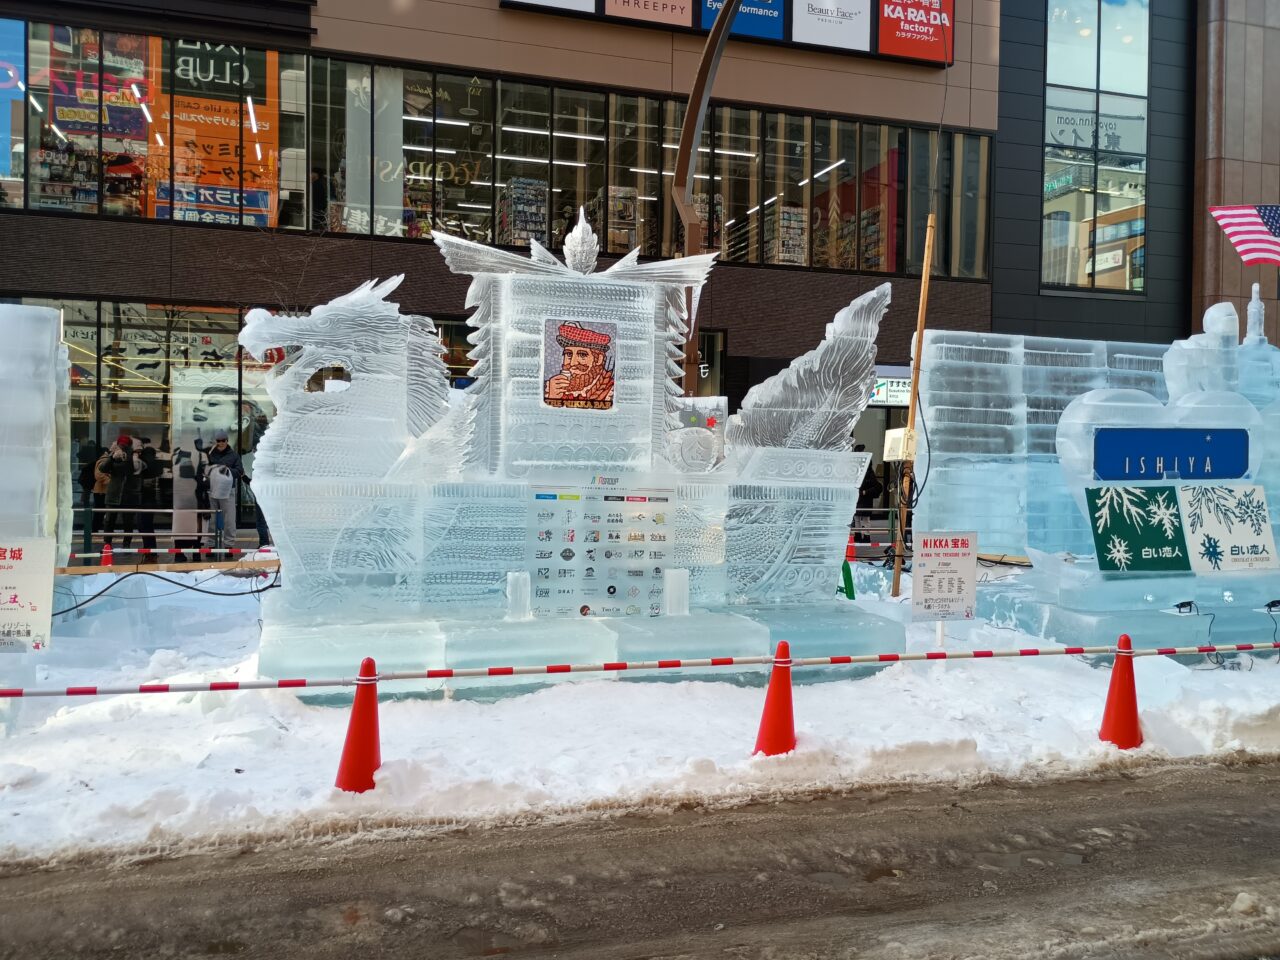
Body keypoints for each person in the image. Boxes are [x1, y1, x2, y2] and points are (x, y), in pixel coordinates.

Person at [544, 322, 615, 409]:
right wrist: (552, 397)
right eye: (569, 354)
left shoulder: (610, 389)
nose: (572, 363)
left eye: (582, 355)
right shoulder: (550, 387)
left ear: (599, 359)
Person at [205, 429, 243, 548]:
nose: (221, 443)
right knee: (212, 519)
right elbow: (204, 469)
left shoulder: (234, 455)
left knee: (229, 519)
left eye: (223, 440)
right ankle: (211, 544)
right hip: (212, 489)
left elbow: (240, 471)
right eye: (218, 441)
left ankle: (228, 545)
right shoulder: (210, 454)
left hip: (228, 491)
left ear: (227, 441)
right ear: (215, 441)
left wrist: (227, 470)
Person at [101, 436, 142, 548]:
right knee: (109, 520)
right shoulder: (114, 455)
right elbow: (102, 468)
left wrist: (130, 456)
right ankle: (107, 543)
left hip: (128, 494)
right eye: (121, 444)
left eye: (125, 445)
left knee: (128, 521)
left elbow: (133, 470)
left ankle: (126, 543)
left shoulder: (133, 456)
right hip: (114, 493)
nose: (122, 446)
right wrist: (112, 457)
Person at [854, 444, 883, 544]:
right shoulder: (865, 470)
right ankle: (862, 536)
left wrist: (865, 492)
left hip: (862, 498)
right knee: (859, 518)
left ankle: (863, 536)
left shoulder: (867, 472)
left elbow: (877, 486)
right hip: (861, 498)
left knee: (862, 519)